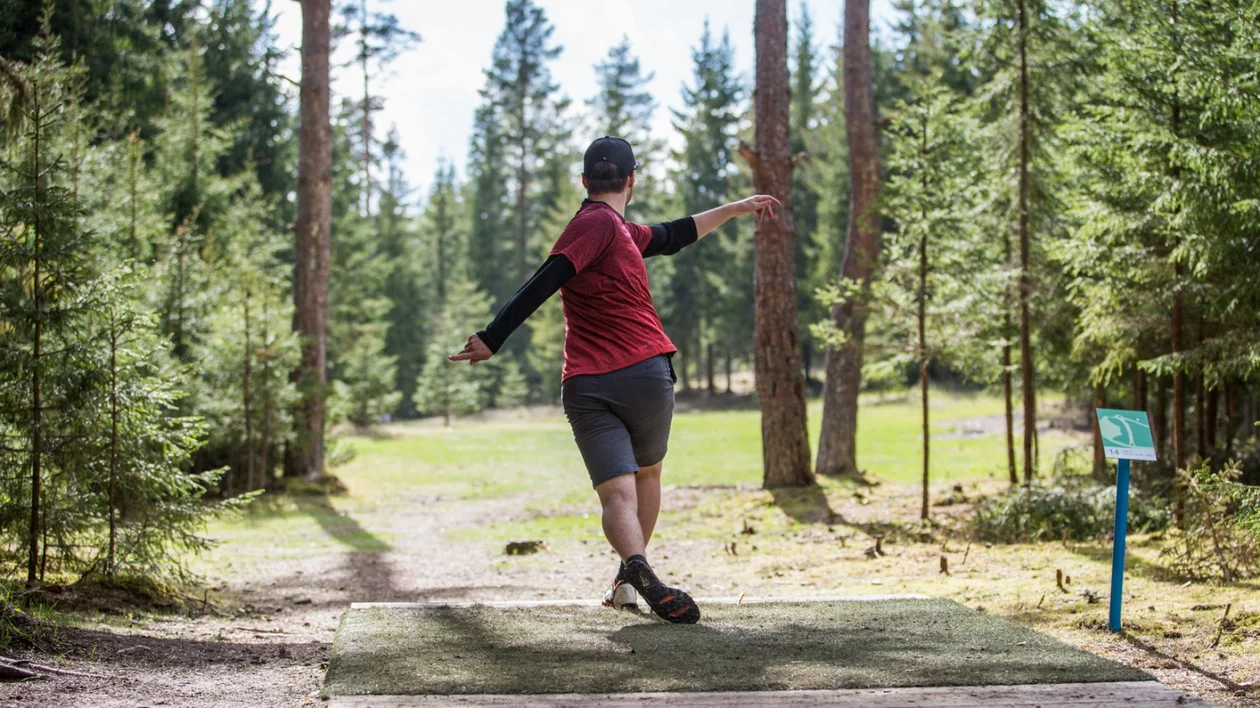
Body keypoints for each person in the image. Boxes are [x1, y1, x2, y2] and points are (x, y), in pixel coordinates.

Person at [449, 136, 779, 624]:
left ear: (585, 181)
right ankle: (630, 577)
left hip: (587, 383)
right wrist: (737, 207)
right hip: (646, 373)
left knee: (615, 493)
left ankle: (635, 573)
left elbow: (673, 234)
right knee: (647, 476)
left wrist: (494, 338)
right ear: (632, 179)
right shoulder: (603, 226)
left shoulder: (614, 229)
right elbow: (552, 274)